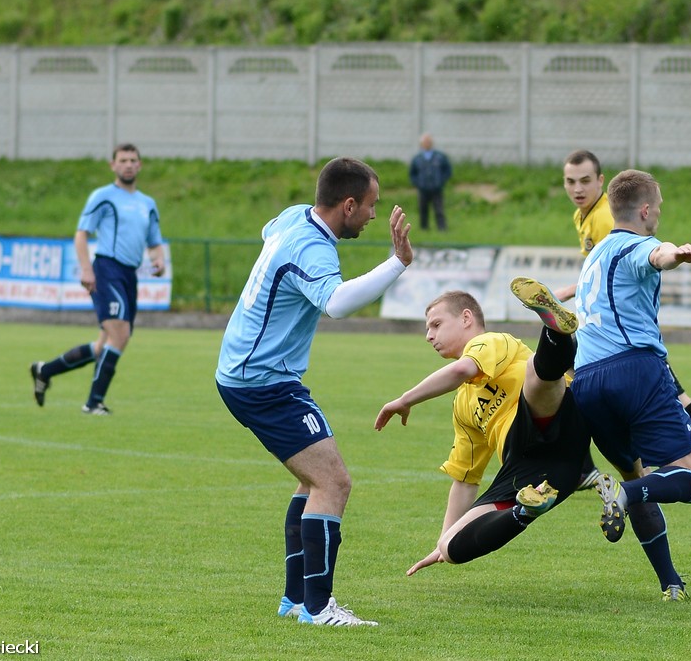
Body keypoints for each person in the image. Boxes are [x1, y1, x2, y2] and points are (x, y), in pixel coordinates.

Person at [215, 157, 413, 627]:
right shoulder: (312, 247)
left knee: (312, 482)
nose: (372, 214)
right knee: (333, 482)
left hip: (249, 372)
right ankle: (319, 609)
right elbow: (337, 304)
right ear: (348, 205)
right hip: (262, 380)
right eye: (370, 206)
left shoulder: (292, 218)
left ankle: (296, 600)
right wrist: (399, 262)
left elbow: (268, 233)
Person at [558, 149, 691, 507]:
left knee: (673, 409)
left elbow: (646, 255)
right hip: (625, 351)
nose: (577, 188)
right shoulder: (589, 218)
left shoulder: (606, 220)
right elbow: (627, 263)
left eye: (585, 181)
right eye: (570, 181)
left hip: (616, 351)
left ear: (601, 183)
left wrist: (673, 255)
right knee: (678, 411)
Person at [375, 280, 589, 577]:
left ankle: (555, 330)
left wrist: (404, 400)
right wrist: (444, 539)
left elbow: (463, 368)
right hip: (541, 470)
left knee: (536, 374)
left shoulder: (490, 342)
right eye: (428, 329)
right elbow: (465, 480)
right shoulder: (462, 405)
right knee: (449, 546)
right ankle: (525, 509)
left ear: (466, 318)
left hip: (559, 417)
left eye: (436, 325)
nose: (429, 336)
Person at [572, 168, 691, 601]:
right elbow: (657, 255)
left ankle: (672, 584)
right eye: (659, 208)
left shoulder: (593, 256)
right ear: (645, 210)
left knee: (637, 473)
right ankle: (626, 494)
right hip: (634, 371)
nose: (660, 215)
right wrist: (677, 254)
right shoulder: (639, 244)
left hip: (586, 382)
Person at [30, 143, 165, 415]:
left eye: (133, 160)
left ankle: (45, 371)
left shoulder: (147, 204)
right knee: (120, 335)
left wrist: (158, 259)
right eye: (123, 160)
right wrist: (86, 269)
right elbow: (82, 234)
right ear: (113, 165)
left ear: (139, 165)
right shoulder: (103, 196)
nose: (128, 165)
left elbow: (154, 242)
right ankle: (93, 403)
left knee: (104, 344)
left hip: (129, 275)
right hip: (106, 269)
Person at [408, 133, 452, 232]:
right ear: (421, 144)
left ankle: (442, 228)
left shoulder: (440, 157)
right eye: (425, 142)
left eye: (428, 142)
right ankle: (424, 228)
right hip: (423, 188)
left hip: (436, 188)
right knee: (423, 209)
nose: (427, 144)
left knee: (439, 209)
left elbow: (447, 170)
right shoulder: (417, 158)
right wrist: (418, 183)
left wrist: (441, 181)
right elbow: (413, 173)